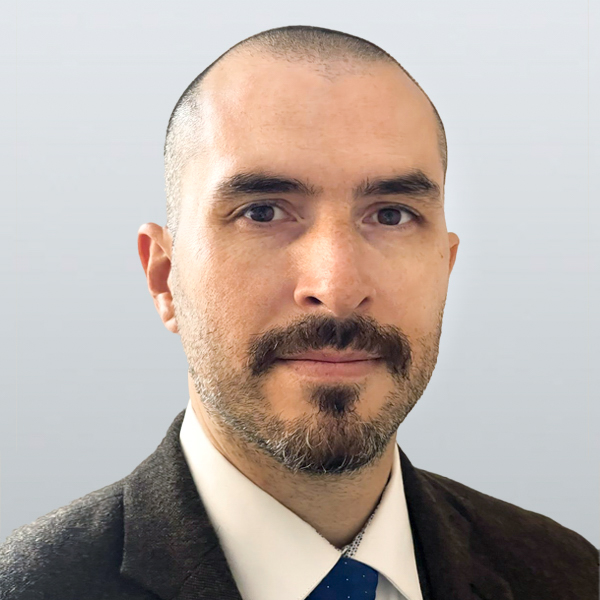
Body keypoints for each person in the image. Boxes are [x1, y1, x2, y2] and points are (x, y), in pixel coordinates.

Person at [1, 25, 597, 600]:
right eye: (262, 212)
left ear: (445, 266)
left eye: (391, 214)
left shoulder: (569, 575)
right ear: (164, 277)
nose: (336, 288)